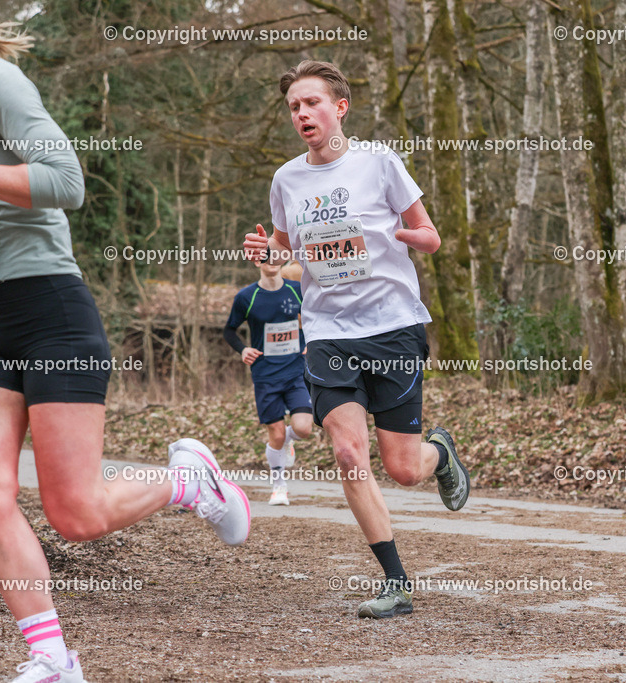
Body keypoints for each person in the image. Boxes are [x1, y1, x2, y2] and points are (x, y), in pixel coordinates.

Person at [0, 2, 250, 680]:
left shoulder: (0, 83)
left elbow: (65, 184)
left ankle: (189, 480)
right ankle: (52, 657)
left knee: (76, 514)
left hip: (52, 311)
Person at [243, 60, 470, 619]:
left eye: (312, 103)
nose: (302, 114)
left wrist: (398, 233)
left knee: (403, 469)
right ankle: (396, 583)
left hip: (392, 328)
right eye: (294, 107)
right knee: (348, 453)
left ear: (339, 108)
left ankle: (439, 453)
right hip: (327, 332)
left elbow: (431, 237)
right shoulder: (286, 179)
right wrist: (268, 254)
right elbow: (284, 252)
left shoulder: (379, 162)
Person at [224, 260, 313, 505]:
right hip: (265, 374)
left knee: (304, 428)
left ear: (282, 260)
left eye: (275, 257)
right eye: (265, 257)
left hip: (296, 370)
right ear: (257, 261)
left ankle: (288, 440)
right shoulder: (246, 297)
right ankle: (279, 486)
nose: (271, 262)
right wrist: (243, 350)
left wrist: (311, 342)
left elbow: (317, 316)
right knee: (275, 434)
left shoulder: (297, 289)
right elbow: (229, 330)